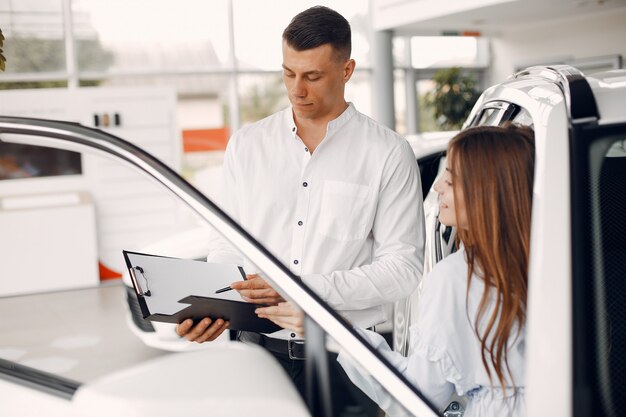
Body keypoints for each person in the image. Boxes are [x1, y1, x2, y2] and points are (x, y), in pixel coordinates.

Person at [175, 5, 425, 415]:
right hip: (255, 352)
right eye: (288, 73)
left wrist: (298, 289)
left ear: (347, 71)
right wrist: (214, 307)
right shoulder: (247, 144)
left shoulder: (387, 154)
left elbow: (403, 269)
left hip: (347, 358)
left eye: (312, 76)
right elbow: (226, 243)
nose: (297, 90)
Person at [258, 124, 534, 417]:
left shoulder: (458, 277)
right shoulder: (552, 263)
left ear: (488, 193)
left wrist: (330, 329)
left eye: (451, 180)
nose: (438, 186)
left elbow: (418, 395)